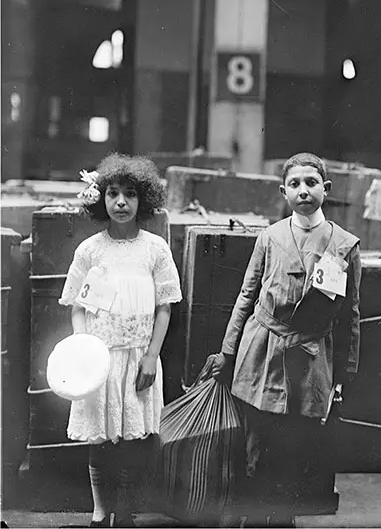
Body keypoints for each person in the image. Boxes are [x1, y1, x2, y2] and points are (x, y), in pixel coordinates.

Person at [212, 152, 362, 528]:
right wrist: (229, 351)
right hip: (262, 350)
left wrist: (344, 373)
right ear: (283, 191)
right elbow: (247, 295)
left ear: (325, 189)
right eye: (294, 184)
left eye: (311, 183)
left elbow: (350, 315)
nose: (303, 191)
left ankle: (282, 517)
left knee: (295, 444)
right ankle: (253, 514)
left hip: (310, 358)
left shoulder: (344, 245)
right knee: (255, 439)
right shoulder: (270, 236)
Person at [59, 154, 182, 528]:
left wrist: (151, 356)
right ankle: (100, 511)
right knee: (101, 439)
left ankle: (125, 512)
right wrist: (85, 349)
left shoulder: (155, 249)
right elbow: (76, 305)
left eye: (130, 194)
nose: (122, 203)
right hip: (100, 361)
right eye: (113, 194)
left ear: (144, 198)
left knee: (130, 442)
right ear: (102, 198)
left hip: (138, 357)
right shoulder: (91, 250)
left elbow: (165, 307)